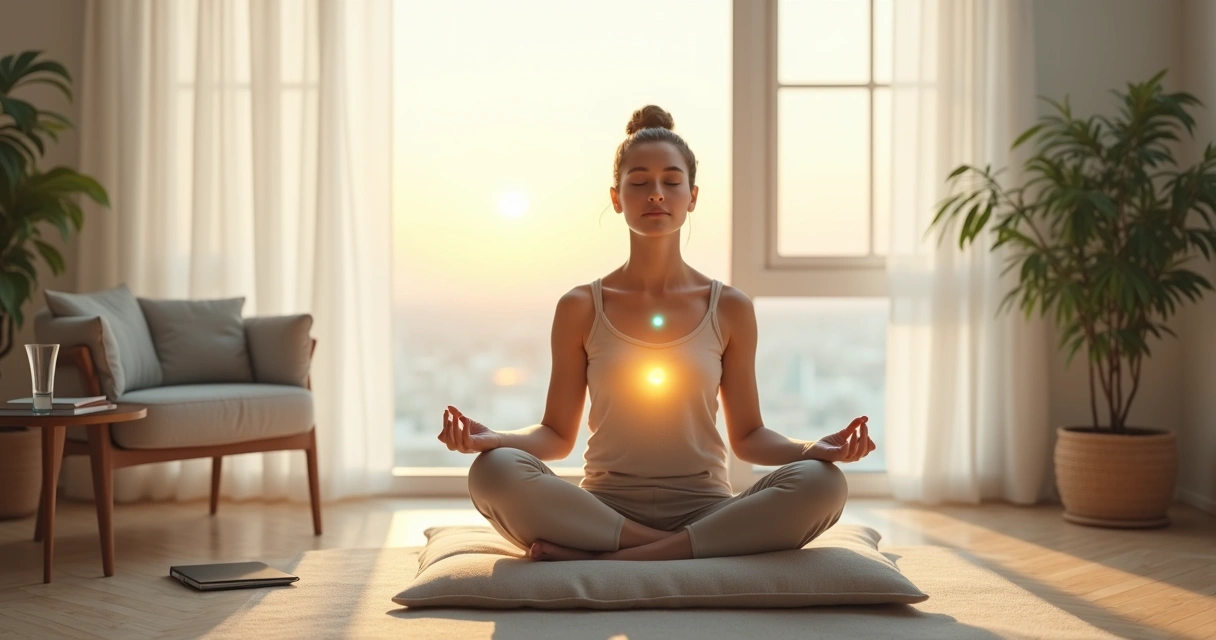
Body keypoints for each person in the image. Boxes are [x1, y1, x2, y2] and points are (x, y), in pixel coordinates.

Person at [438, 105, 876, 562]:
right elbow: (555, 435)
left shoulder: (729, 307)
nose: (656, 194)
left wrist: (814, 448)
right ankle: (671, 553)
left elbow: (747, 436)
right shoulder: (580, 307)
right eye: (640, 182)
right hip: (604, 509)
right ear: (616, 197)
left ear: (692, 196)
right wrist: (495, 440)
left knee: (824, 482)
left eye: (671, 181)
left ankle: (608, 560)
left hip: (706, 510)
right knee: (492, 472)